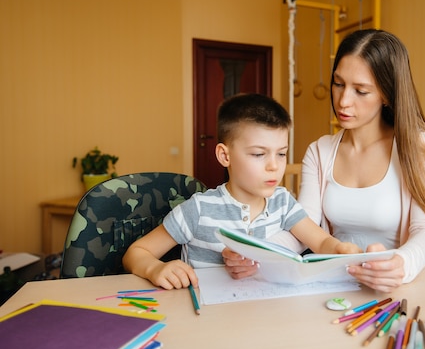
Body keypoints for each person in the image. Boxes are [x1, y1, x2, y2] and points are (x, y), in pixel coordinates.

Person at [223, 29, 425, 293]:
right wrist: (255, 252)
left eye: (361, 91)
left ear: (387, 94)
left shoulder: (422, 147)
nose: (343, 101)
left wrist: (402, 264)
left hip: (397, 288)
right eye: (339, 84)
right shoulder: (320, 151)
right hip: (334, 285)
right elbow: (303, 225)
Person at [123, 93, 361, 290]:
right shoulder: (198, 209)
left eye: (281, 153)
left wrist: (342, 249)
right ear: (225, 156)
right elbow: (136, 252)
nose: (274, 166)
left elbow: (322, 242)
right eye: (259, 154)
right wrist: (155, 268)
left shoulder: (283, 203)